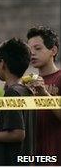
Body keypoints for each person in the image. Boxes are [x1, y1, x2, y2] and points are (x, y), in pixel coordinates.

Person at [27, 26, 61, 165]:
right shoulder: (27, 82)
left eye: (38, 48)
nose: (32, 53)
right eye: (30, 50)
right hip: (34, 158)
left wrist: (44, 95)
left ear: (53, 50)